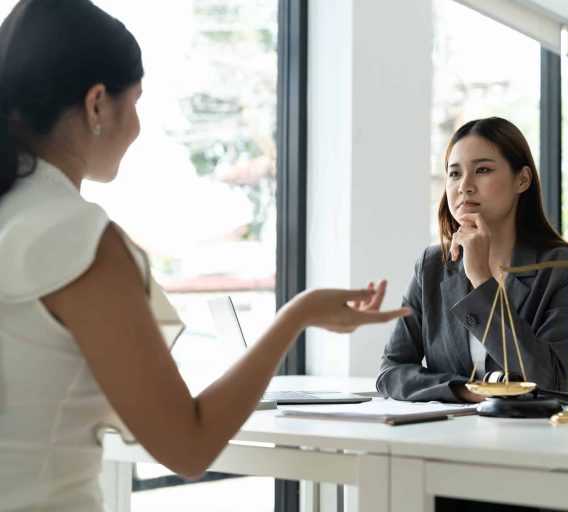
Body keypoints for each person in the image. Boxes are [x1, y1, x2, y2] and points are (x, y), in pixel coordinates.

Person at [0, 1, 409, 511]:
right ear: (97, 104)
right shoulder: (76, 239)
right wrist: (295, 316)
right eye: (138, 102)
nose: (138, 126)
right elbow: (188, 446)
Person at [376, 116, 568, 512]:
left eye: (482, 170)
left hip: (531, 464)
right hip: (446, 456)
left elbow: (544, 380)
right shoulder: (433, 265)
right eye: (454, 173)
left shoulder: (567, 267)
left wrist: (481, 280)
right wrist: (463, 390)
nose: (464, 186)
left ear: (522, 180)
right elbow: (391, 371)